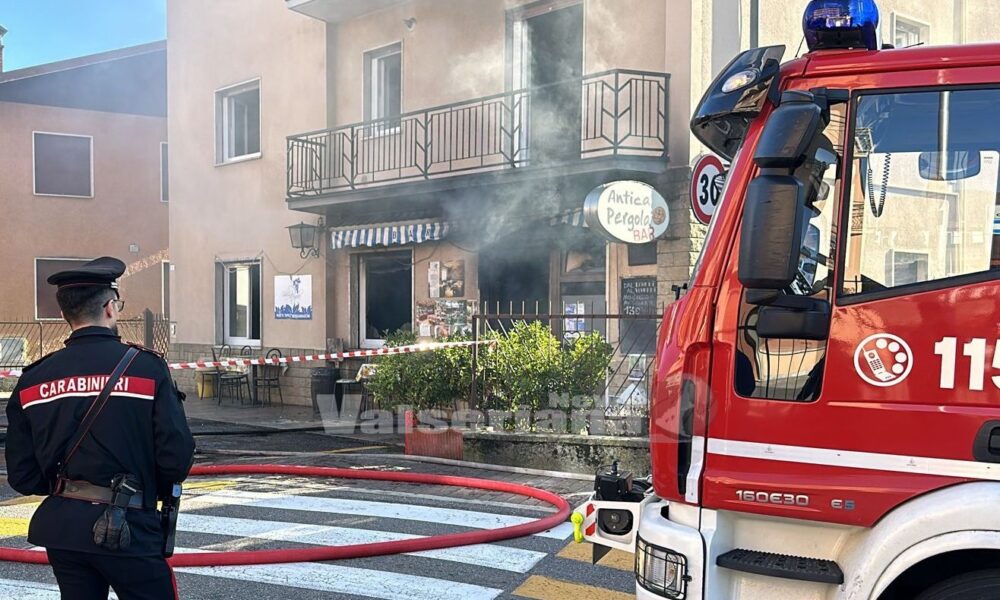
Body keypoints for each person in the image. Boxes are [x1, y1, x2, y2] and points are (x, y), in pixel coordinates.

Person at [4, 257, 195, 600]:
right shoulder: (146, 368)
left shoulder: (34, 379)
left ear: (66, 314)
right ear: (109, 308)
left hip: (64, 529)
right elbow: (176, 456)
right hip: (130, 526)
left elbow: (23, 476)